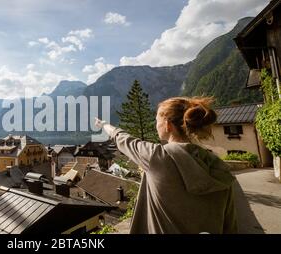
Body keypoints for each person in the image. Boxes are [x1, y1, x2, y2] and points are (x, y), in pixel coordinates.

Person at [95, 96, 237, 234]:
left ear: (168, 125)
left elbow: (123, 138)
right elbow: (230, 225)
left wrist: (103, 125)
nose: (155, 124)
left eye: (157, 120)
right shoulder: (219, 167)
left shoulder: (157, 158)